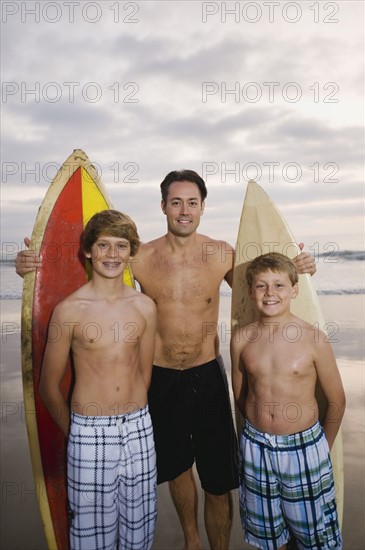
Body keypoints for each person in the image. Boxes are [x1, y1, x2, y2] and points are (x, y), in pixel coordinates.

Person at [16, 172, 316, 550]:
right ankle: (191, 541)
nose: (184, 210)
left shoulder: (222, 253)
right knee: (176, 470)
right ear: (163, 207)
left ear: (203, 207)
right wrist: (31, 265)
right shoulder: (139, 257)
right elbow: (87, 279)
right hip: (159, 378)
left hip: (207, 375)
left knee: (219, 480)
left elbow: (268, 283)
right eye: (176, 202)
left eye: (192, 202)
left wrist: (298, 265)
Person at [39, 210, 158, 550]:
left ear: (131, 252)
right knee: (92, 538)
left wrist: (132, 415)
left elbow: (144, 372)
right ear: (88, 251)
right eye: (103, 245)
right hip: (89, 432)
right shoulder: (69, 310)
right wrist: (78, 433)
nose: (112, 254)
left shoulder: (144, 307)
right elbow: (49, 387)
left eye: (121, 246)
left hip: (138, 430)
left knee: (140, 532)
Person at [231, 252, 345, 550]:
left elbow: (337, 401)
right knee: (269, 535)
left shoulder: (313, 339)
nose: (270, 294)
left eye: (279, 285)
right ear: (249, 291)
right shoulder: (241, 338)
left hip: (304, 448)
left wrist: (322, 448)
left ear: (294, 290)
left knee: (316, 536)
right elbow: (241, 395)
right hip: (256, 447)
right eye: (261, 286)